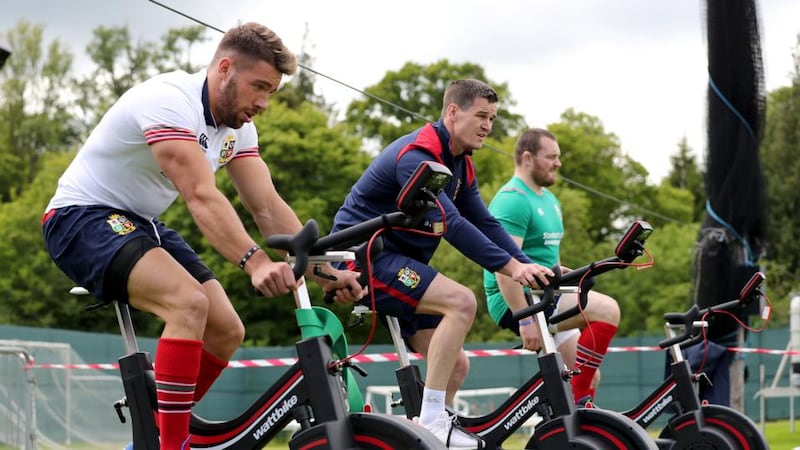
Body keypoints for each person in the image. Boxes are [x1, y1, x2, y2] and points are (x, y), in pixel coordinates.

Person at [41, 23, 364, 450]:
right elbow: (200, 196)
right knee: (188, 304)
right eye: (259, 87)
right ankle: (170, 445)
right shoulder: (169, 101)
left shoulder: (238, 130)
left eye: (272, 92)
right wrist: (255, 261)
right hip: (80, 218)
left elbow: (266, 205)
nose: (264, 103)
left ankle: (154, 434)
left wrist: (324, 269)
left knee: (227, 330)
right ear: (225, 68)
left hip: (141, 222)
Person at [330, 79, 553, 449]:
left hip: (403, 264)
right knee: (462, 301)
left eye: (492, 118)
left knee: (457, 365)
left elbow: (485, 222)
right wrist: (513, 269)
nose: (487, 126)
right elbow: (452, 223)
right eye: (481, 115)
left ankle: (429, 436)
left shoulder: (461, 166)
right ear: (452, 112)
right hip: (368, 260)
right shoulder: (418, 156)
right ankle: (432, 423)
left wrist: (532, 267)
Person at [484, 128, 620, 405]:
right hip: (516, 300)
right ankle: (578, 420)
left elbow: (548, 259)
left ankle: (565, 427)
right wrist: (525, 319)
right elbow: (503, 267)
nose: (558, 163)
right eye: (551, 157)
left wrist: (566, 273)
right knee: (607, 309)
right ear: (528, 158)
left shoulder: (550, 200)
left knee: (588, 378)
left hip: (546, 294)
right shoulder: (513, 200)